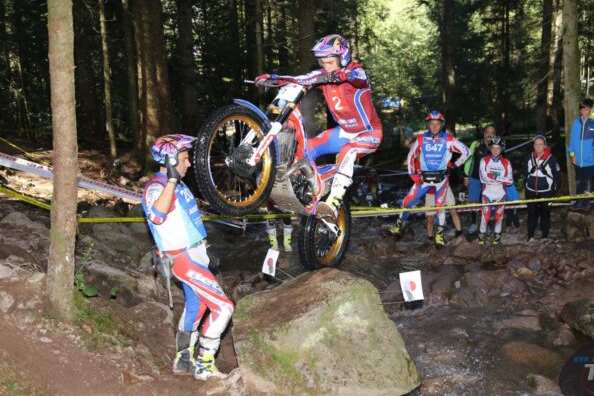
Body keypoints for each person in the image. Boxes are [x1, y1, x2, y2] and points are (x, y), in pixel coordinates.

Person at [255, 34, 383, 220]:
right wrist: (275, 79)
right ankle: (300, 184)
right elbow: (301, 79)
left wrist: (345, 74)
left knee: (348, 150)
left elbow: (359, 78)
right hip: (343, 132)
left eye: (330, 62)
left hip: (369, 132)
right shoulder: (324, 75)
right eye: (323, 62)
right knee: (311, 145)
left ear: (343, 57)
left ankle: (335, 199)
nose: (326, 66)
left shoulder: (356, 71)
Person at [142, 134, 234, 381]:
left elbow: (187, 221)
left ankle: (183, 360)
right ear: (171, 161)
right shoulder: (156, 187)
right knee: (224, 307)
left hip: (195, 254)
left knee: (196, 306)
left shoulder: (179, 186)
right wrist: (171, 180)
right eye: (184, 159)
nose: (189, 164)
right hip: (182, 258)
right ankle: (205, 363)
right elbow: (158, 215)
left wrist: (206, 247)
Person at [389, 111, 469, 247]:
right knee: (407, 202)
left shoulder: (448, 139)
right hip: (423, 179)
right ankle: (398, 226)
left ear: (441, 125)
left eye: (437, 124)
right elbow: (410, 157)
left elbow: (467, 151)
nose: (434, 127)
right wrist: (413, 175)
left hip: (441, 180)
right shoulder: (421, 139)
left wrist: (455, 164)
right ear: (428, 125)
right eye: (431, 124)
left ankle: (439, 235)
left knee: (440, 208)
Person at [523, 135, 561, 242]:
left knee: (545, 214)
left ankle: (544, 236)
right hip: (530, 191)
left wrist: (553, 189)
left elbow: (558, 176)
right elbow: (524, 171)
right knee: (531, 214)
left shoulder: (552, 159)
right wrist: (528, 181)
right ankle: (530, 236)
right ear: (533, 146)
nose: (538, 147)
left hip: (546, 192)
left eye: (540, 144)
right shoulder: (528, 158)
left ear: (545, 146)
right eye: (536, 144)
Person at [477, 136, 513, 245]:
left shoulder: (506, 162)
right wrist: (501, 179)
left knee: (499, 216)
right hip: (487, 192)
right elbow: (483, 179)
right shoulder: (484, 160)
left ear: (502, 149)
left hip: (501, 193)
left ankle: (497, 236)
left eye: (498, 148)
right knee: (485, 216)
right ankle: (482, 234)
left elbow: (510, 181)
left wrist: (492, 176)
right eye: (493, 148)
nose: (495, 150)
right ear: (490, 148)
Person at [567, 99, 594, 211]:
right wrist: (572, 155)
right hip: (578, 159)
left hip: (589, 160)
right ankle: (579, 201)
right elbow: (572, 140)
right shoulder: (576, 123)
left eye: (586, 108)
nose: (584, 111)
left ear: (590, 109)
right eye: (582, 109)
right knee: (579, 181)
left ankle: (586, 202)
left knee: (588, 182)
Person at [463, 126, 496, 234]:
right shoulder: (476, 144)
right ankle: (473, 223)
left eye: (492, 133)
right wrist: (466, 176)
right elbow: (468, 160)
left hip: (489, 181)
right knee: (473, 202)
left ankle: (486, 224)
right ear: (484, 134)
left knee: (487, 202)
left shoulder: (497, 147)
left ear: (495, 135)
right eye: (487, 132)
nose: (489, 135)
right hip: (475, 178)